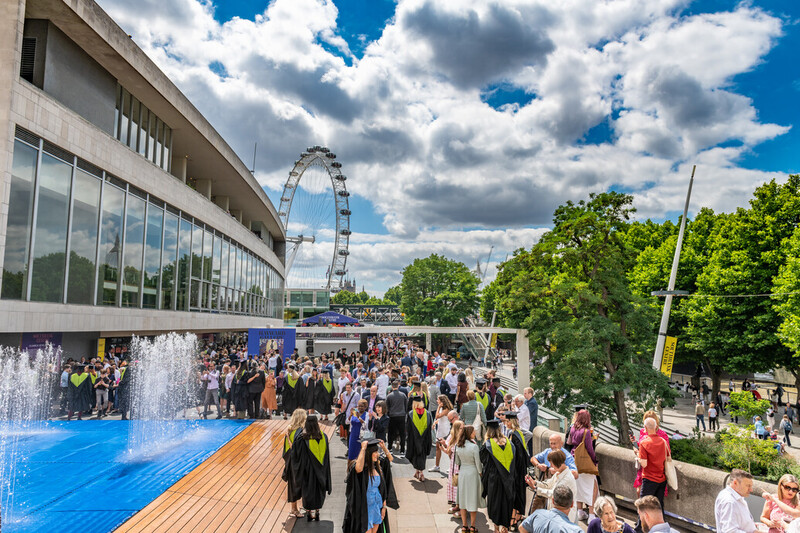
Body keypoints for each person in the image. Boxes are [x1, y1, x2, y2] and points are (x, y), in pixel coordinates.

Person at [342, 438, 398, 533]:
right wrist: (363, 448)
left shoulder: (377, 466)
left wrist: (383, 447)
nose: (377, 454)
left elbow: (382, 488)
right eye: (375, 452)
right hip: (364, 509)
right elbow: (358, 468)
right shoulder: (360, 469)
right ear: (368, 453)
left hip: (376, 507)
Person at [292, 415, 332, 522]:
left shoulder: (301, 438)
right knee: (319, 491)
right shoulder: (324, 437)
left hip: (307, 472)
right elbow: (326, 457)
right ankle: (317, 511)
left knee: (308, 492)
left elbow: (295, 457)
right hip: (321, 471)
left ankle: (310, 513)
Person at [481, 419, 517, 532]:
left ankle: (496, 527)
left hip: (494, 479)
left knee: (495, 503)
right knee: (506, 502)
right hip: (509, 479)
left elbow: (483, 461)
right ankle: (505, 527)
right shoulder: (509, 443)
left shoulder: (488, 445)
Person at [635, 418, 670, 532]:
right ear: (656, 427)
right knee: (659, 506)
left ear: (645, 428)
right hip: (661, 478)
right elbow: (668, 458)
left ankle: (640, 529)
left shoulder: (644, 443)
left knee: (643, 505)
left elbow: (644, 464)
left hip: (649, 478)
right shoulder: (663, 441)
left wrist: (639, 457)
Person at [527, 449, 578, 521]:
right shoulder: (559, 473)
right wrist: (535, 483)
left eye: (551, 463)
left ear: (557, 462)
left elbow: (553, 493)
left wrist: (536, 489)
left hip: (565, 516)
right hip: (557, 513)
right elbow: (548, 484)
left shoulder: (567, 479)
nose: (550, 466)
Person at [568, 409, 598, 522]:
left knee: (578, 486)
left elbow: (570, 442)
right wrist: (595, 461)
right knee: (592, 486)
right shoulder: (586, 431)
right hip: (585, 460)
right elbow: (590, 449)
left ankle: (580, 511)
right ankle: (591, 514)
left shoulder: (573, 428)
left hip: (574, 459)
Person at [632, 412, 670, 498]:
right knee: (639, 492)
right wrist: (635, 444)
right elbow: (643, 446)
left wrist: (638, 453)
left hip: (654, 470)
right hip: (644, 468)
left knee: (649, 500)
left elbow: (667, 452)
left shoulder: (662, 435)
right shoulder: (643, 431)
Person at [455, 425, 483, 533]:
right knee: (472, 500)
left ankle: (464, 526)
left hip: (463, 474)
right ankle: (472, 526)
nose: (475, 433)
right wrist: (481, 473)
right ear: (469, 433)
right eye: (473, 431)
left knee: (462, 500)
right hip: (472, 474)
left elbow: (457, 462)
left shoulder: (458, 446)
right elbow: (478, 464)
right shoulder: (474, 447)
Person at [715, 469, 757, 533]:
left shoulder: (735, 497)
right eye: (748, 486)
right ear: (735, 483)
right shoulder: (729, 501)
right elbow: (729, 531)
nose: (751, 490)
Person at [282, 409, 307, 518]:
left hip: (291, 460)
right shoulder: (300, 432)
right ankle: (294, 509)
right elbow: (297, 448)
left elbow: (286, 449)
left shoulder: (290, 430)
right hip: (298, 461)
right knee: (298, 484)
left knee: (293, 484)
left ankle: (294, 507)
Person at [406, 393, 433, 481]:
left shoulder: (411, 414)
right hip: (424, 439)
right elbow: (429, 427)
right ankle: (418, 471)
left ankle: (420, 472)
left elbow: (408, 428)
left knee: (415, 455)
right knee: (422, 455)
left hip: (414, 439)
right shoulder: (427, 414)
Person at [443, 420, 465, 515]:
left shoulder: (464, 439)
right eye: (461, 428)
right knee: (455, 484)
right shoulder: (452, 438)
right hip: (453, 466)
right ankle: (457, 505)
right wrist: (442, 447)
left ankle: (462, 508)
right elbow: (448, 452)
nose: (463, 430)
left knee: (461, 486)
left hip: (461, 466)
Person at [432, 395, 454, 472]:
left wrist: (438, 407)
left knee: (448, 448)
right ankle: (437, 466)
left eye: (438, 400)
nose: (437, 401)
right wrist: (435, 422)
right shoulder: (442, 408)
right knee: (438, 447)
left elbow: (437, 416)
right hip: (440, 430)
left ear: (442, 401)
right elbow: (440, 419)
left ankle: (452, 466)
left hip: (445, 430)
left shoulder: (446, 409)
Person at [386, 380, 408, 456]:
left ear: (392, 387)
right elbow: (406, 405)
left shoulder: (389, 396)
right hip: (401, 416)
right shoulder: (403, 395)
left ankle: (389, 448)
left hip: (392, 416)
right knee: (402, 434)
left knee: (391, 433)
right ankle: (402, 450)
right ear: (398, 386)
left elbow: (387, 407)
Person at [348, 399, 369, 469]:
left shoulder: (367, 414)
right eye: (358, 406)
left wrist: (358, 417)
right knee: (351, 454)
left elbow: (366, 426)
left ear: (365, 407)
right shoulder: (354, 412)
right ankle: (350, 470)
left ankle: (359, 469)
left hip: (361, 437)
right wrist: (350, 415)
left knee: (360, 454)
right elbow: (347, 422)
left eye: (362, 406)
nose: (360, 408)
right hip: (353, 435)